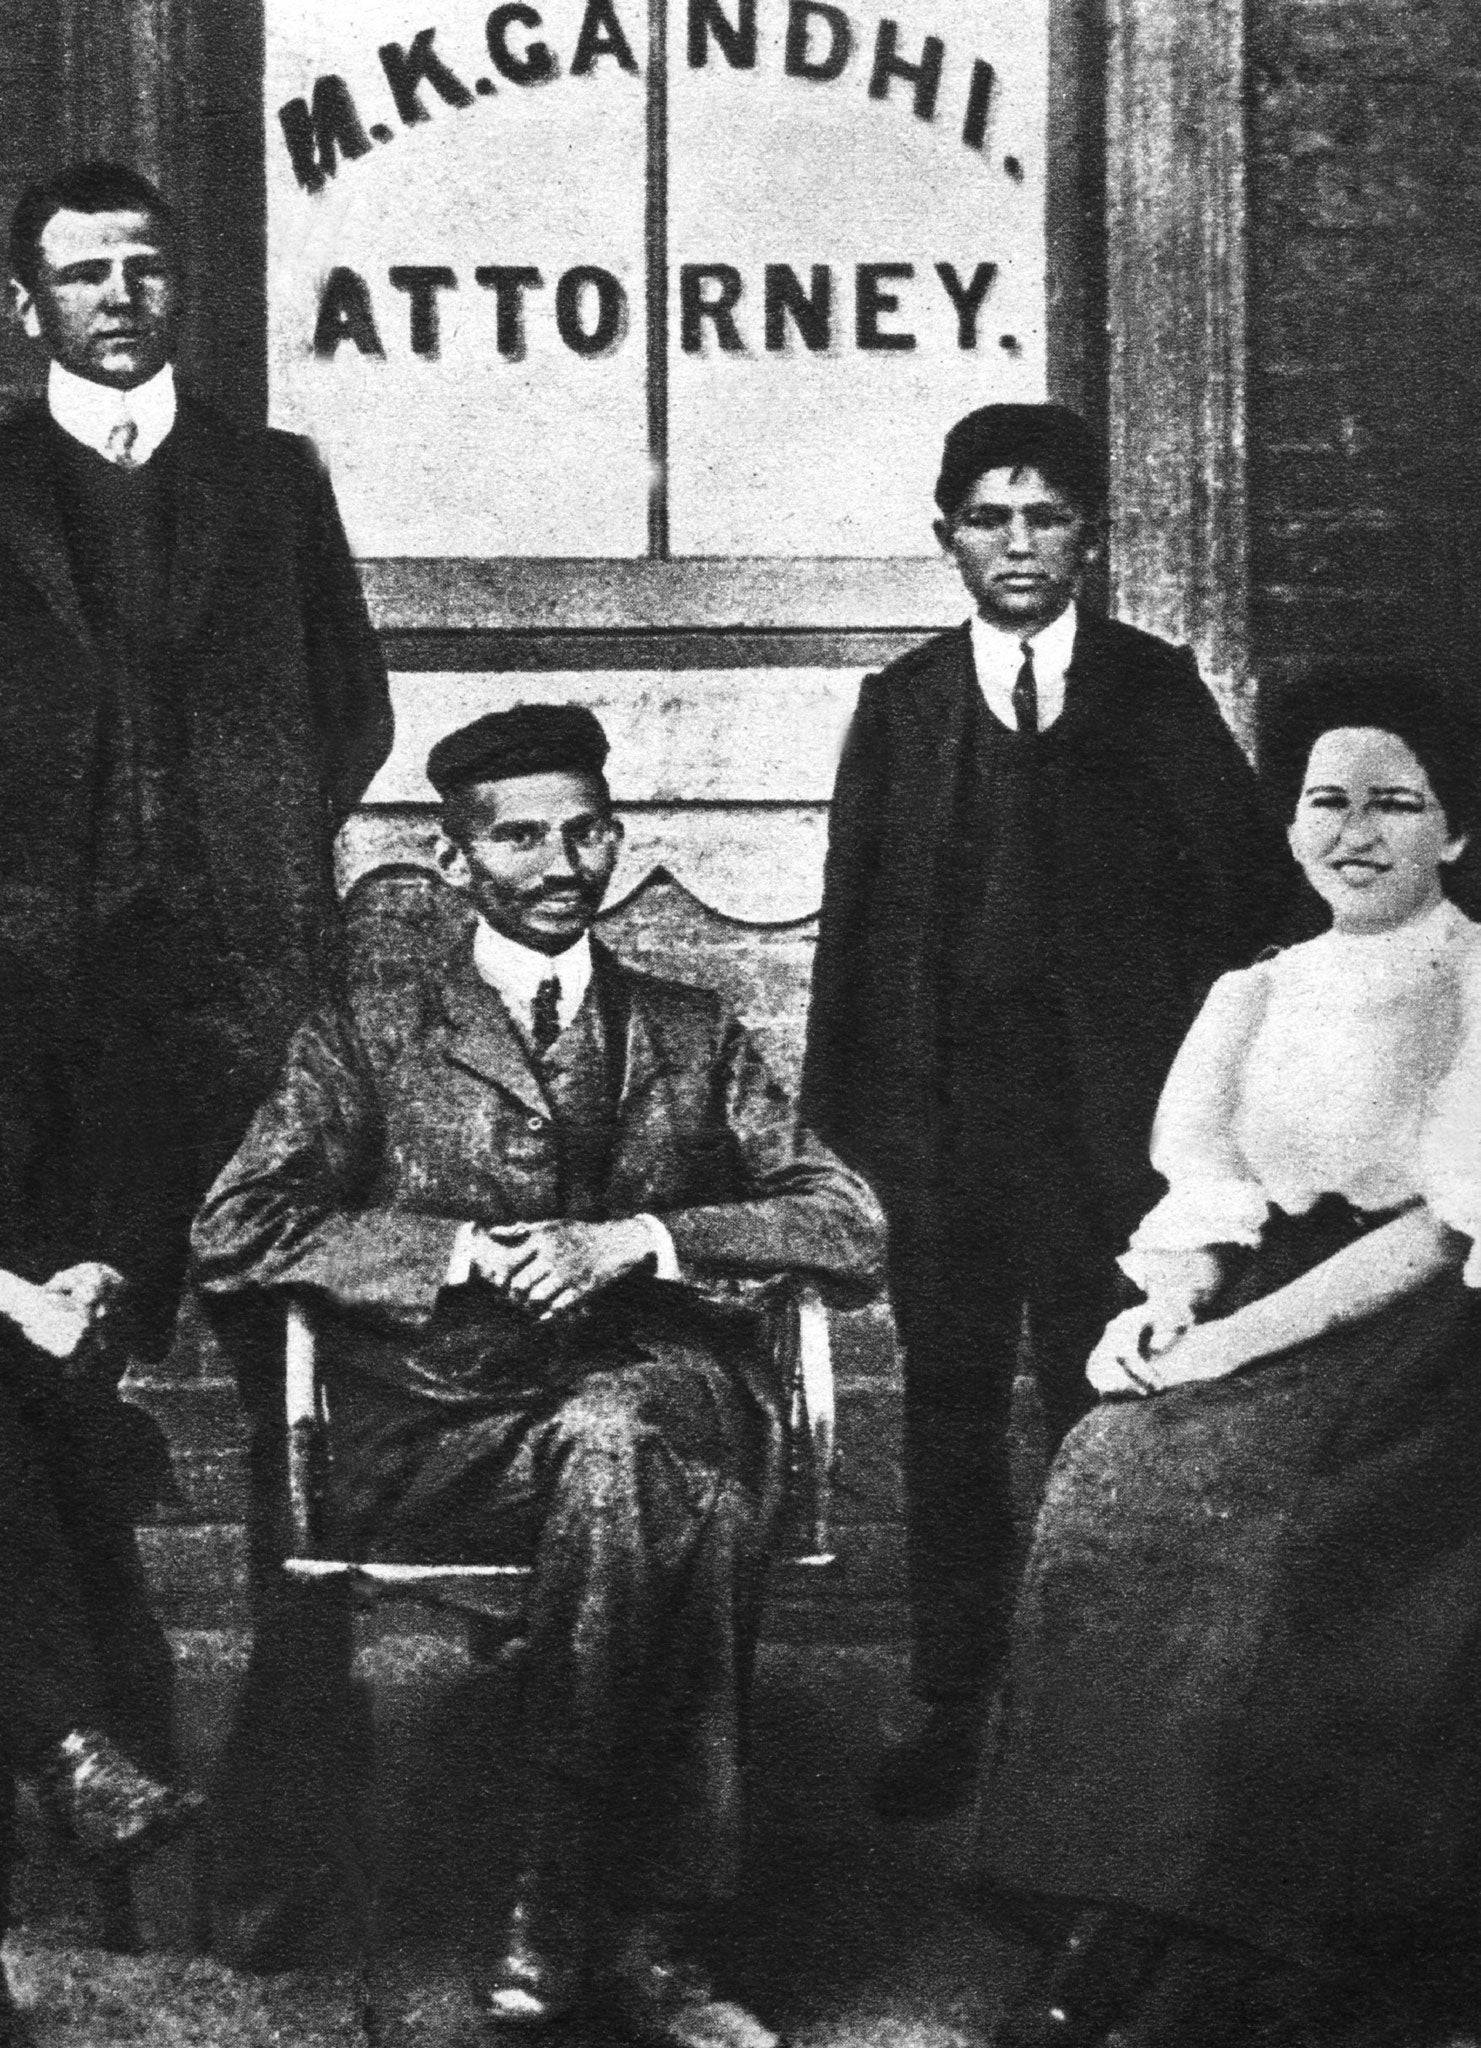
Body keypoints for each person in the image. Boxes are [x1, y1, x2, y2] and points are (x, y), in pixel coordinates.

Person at [190, 704, 886, 2045]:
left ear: (616, 835)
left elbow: (848, 1222)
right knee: (659, 1485)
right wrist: (452, 1252)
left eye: (587, 830)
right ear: (458, 864)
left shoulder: (693, 1032)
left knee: (624, 1435)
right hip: (451, 1431)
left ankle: (550, 1904)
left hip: (654, 1396)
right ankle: (650, 1933)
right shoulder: (369, 1035)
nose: (562, 861)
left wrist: (644, 1237)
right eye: (520, 836)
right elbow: (234, 1229)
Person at [801, 402, 1291, 1819]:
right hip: (950, 1140)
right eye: (991, 517)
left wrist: (1201, 1120)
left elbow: (1253, 904)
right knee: (949, 1418)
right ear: (944, 533)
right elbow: (855, 933)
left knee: (1111, 1402)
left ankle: (1102, 1713)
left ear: (1093, 532)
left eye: (1050, 515)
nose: (1020, 543)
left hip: (1111, 1147)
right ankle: (958, 1699)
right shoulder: (903, 704)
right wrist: (855, 1140)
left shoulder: (1150, 687)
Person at [980, 667, 1481, 2047]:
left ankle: (1214, 1931)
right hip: (1269, 1296)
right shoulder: (1255, 994)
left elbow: (1437, 1239)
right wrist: (1168, 1309)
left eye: (1398, 802)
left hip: (1431, 1336)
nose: (1356, 832)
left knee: (1265, 1515)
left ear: (1456, 830)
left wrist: (1229, 1353)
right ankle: (1101, 1903)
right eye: (1328, 801)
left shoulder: (1479, 981)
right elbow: (1212, 1198)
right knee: (1103, 1469)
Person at [0, 159, 392, 1356]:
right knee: (50, 1320)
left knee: (280, 1321)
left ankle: (287, 1548)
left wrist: (255, 845)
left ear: (182, 289)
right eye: (82, 275)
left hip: (242, 975)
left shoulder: (272, 478)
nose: (118, 296)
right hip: (32, 974)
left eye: (144, 269)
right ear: (26, 307)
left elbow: (352, 710)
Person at [0, 960, 204, 2048]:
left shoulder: (23, 995)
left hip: (20, 1380)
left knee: (36, 1438)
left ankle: (81, 1755)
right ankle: (70, 1741)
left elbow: (72, 1179)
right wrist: (13, 1300)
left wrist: (90, 1269)